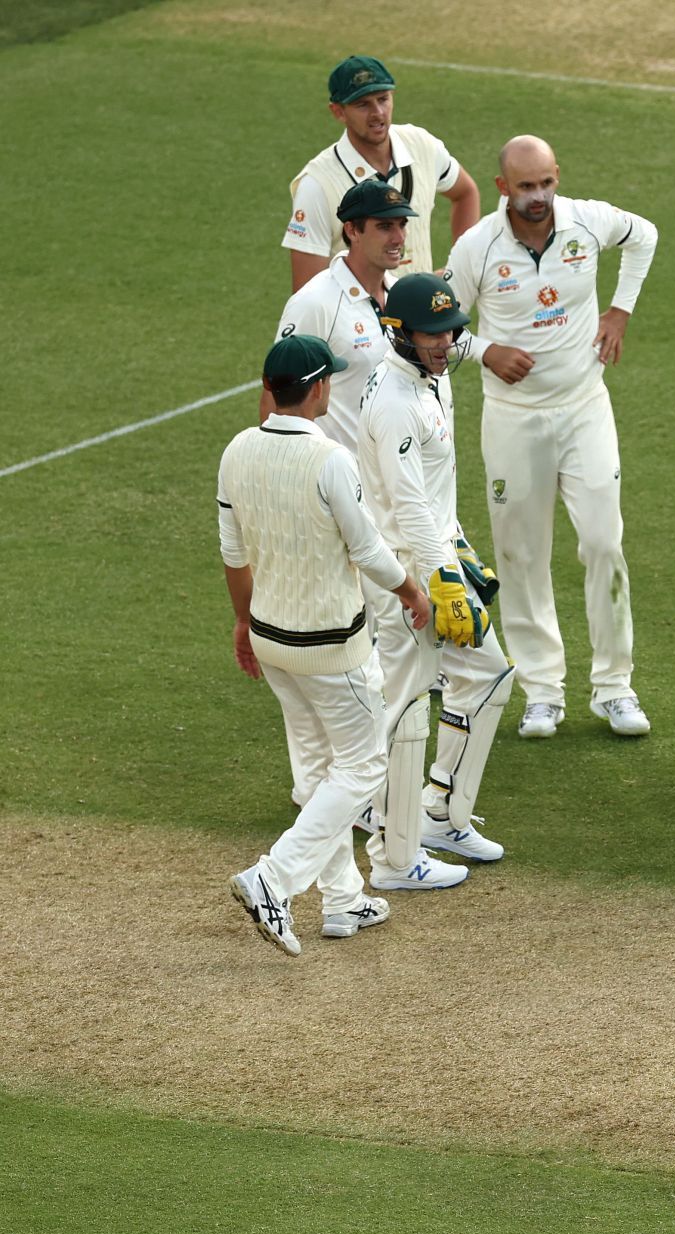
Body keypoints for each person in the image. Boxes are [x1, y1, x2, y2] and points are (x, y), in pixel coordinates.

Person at [445, 135, 660, 740]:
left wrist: (620, 310)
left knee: (603, 543)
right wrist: (487, 352)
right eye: (525, 187)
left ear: (556, 176)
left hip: (585, 407)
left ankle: (615, 687)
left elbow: (644, 235)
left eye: (545, 183)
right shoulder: (476, 248)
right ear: (502, 188)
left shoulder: (587, 222)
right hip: (513, 418)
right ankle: (542, 690)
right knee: (520, 553)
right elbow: (435, 327)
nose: (537, 197)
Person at [221, 333, 431, 954]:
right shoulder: (330, 459)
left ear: (270, 390)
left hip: (272, 642)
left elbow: (233, 554)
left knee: (318, 769)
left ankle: (343, 901)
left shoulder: (236, 450)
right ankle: (274, 878)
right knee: (362, 767)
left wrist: (242, 624)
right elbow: (366, 550)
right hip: (332, 648)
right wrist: (411, 591)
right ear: (316, 388)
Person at [358, 274, 517, 888]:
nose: (446, 343)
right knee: (404, 705)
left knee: (487, 676)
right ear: (398, 334)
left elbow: (432, 502)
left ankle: (442, 813)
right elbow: (406, 505)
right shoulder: (396, 399)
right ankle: (396, 859)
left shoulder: (434, 371)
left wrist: (457, 552)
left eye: (451, 332)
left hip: (438, 553)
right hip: (404, 571)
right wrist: (442, 581)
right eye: (431, 334)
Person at [271, 176, 418, 812]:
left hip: (397, 491)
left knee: (390, 652)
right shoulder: (315, 302)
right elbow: (278, 394)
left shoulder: (406, 295)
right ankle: (351, 794)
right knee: (356, 653)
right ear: (351, 231)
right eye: (384, 226)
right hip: (338, 500)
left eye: (402, 224)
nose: (398, 235)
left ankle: (346, 792)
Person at [283, 55, 479, 292]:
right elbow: (306, 294)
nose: (378, 113)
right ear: (338, 112)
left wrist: (457, 269)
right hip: (356, 327)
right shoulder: (317, 185)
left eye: (383, 99)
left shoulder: (422, 146)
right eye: (362, 104)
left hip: (424, 326)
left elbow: (466, 193)